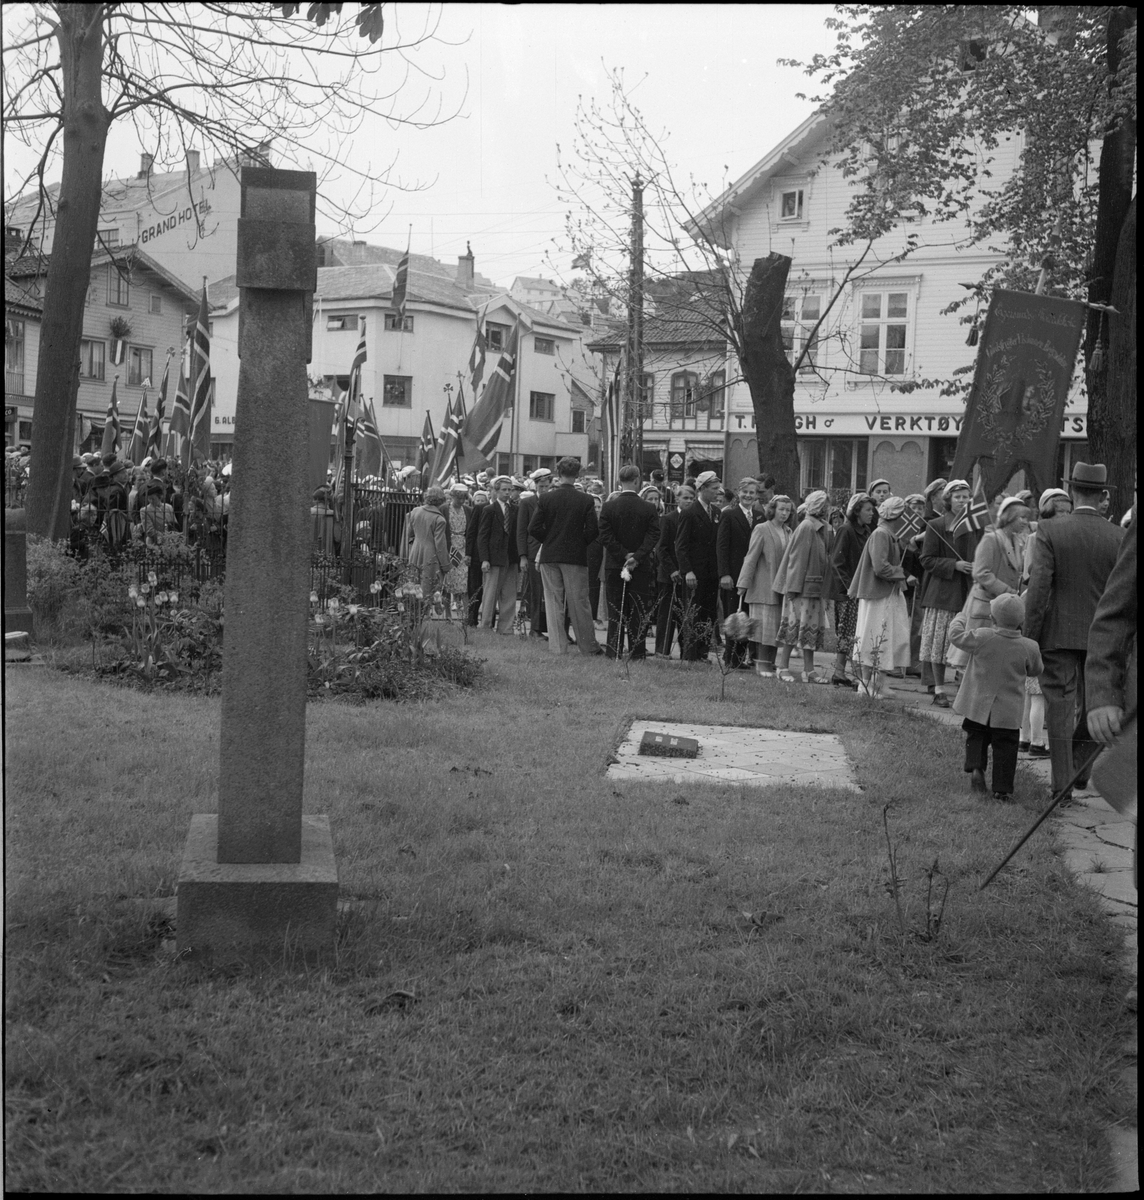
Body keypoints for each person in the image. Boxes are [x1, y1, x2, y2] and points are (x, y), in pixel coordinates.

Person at [1023, 462, 1124, 803]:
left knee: (1060, 708)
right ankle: (1081, 762)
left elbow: (1038, 590)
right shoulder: (1119, 536)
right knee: (1098, 702)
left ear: (1073, 491)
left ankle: (1062, 784)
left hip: (1059, 634)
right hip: (1106, 638)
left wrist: (1030, 636)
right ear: (1104, 496)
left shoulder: (1050, 530)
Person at [949, 593, 1044, 800]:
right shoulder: (1029, 646)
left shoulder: (982, 636)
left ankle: (976, 768)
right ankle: (1001, 790)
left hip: (977, 706)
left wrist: (960, 617)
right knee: (1006, 749)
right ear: (1022, 621)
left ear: (992, 619)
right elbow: (1036, 670)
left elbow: (955, 636)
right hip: (1008, 713)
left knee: (976, 737)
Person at [947, 496, 1031, 671]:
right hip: (985, 606)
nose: (1025, 522)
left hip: (1000, 608)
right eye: (1021, 517)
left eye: (1027, 518)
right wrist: (1008, 592)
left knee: (991, 661)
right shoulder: (991, 539)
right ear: (1009, 517)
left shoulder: (1017, 541)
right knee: (976, 659)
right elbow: (981, 573)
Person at [528, 456, 601, 656]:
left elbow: (533, 528)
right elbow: (593, 531)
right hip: (575, 556)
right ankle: (588, 646)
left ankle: (558, 647)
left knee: (553, 602)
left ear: (558, 474)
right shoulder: (586, 499)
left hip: (550, 555)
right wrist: (579, 542)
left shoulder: (546, 498)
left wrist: (549, 539)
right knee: (579, 602)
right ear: (578, 474)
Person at [918, 479, 979, 708]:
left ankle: (964, 690)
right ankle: (939, 689)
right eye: (958, 497)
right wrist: (953, 565)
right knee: (940, 644)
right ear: (948, 500)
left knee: (964, 642)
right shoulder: (936, 525)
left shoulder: (974, 526)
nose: (962, 501)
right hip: (943, 593)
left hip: (967, 592)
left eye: (966, 497)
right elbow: (926, 559)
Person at [848, 496, 911, 698]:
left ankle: (879, 682)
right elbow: (879, 566)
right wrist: (902, 574)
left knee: (886, 638)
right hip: (878, 595)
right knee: (874, 637)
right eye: (904, 515)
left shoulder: (888, 534)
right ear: (896, 516)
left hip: (887, 593)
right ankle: (866, 684)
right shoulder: (881, 534)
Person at [598, 465, 660, 660]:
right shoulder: (648, 508)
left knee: (616, 610)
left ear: (620, 480)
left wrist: (624, 555)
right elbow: (653, 535)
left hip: (615, 564)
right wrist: (637, 556)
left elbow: (605, 536)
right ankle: (637, 652)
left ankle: (613, 650)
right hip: (640, 566)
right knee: (638, 610)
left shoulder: (608, 506)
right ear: (637, 480)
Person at [772, 489, 833, 684]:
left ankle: (809, 670)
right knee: (794, 628)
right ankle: (782, 667)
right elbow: (796, 560)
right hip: (801, 589)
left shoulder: (822, 527)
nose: (827, 509)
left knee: (809, 629)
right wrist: (792, 588)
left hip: (814, 588)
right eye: (824, 506)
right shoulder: (807, 526)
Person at [736, 493, 793, 677]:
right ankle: (761, 663)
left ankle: (771, 662)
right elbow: (751, 557)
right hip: (763, 586)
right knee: (763, 627)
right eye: (781, 509)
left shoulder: (789, 531)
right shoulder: (762, 528)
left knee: (776, 627)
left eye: (788, 510)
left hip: (781, 587)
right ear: (773, 510)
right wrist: (743, 583)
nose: (784, 513)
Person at [828, 492, 875, 687]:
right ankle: (843, 672)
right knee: (847, 632)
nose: (872, 513)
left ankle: (842, 672)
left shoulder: (867, 531)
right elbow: (837, 563)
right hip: (848, 593)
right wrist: (850, 588)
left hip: (860, 590)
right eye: (868, 510)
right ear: (857, 511)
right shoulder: (846, 530)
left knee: (855, 632)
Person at [675, 471, 722, 662]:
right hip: (695, 574)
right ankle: (690, 653)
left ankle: (702, 652)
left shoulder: (717, 513)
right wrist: (688, 571)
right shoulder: (689, 513)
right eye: (714, 489)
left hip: (711, 574)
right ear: (702, 489)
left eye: (718, 489)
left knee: (708, 613)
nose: (717, 493)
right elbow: (681, 545)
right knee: (693, 613)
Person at [717, 477, 759, 669]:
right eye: (745, 492)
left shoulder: (760, 516)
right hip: (733, 574)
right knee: (733, 613)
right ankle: (730, 656)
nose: (748, 496)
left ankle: (741, 657)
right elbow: (722, 546)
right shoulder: (729, 515)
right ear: (738, 494)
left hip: (752, 576)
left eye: (752, 492)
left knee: (746, 614)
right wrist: (724, 574)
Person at [477, 477, 519, 634]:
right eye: (504, 490)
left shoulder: (515, 509)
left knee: (509, 594)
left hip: (511, 556)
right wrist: (485, 559)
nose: (507, 493)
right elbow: (482, 536)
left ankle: (506, 628)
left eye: (509, 490)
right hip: (494, 557)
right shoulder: (489, 510)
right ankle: (485, 625)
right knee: (490, 593)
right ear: (496, 491)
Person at [654, 483, 692, 657]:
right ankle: (662, 649)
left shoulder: (693, 518)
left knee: (685, 614)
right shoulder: (669, 519)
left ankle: (686, 651)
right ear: (677, 499)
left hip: (687, 575)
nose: (689, 501)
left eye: (691, 498)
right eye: (685, 498)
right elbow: (661, 548)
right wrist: (672, 570)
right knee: (667, 614)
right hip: (669, 574)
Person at [516, 468, 553, 639]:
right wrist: (523, 556)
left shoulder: (554, 501)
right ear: (535, 485)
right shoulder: (527, 503)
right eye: (541, 486)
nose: (544, 489)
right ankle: (535, 629)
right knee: (536, 591)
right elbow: (521, 530)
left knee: (551, 592)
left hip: (550, 550)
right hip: (532, 552)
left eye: (546, 486)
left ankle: (550, 628)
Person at [441, 483, 471, 617]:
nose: (461, 501)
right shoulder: (444, 509)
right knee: (448, 580)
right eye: (459, 498)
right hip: (450, 547)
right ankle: (447, 614)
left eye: (464, 498)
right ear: (452, 496)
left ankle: (466, 613)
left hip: (463, 547)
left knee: (464, 580)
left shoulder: (468, 510)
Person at [464, 489, 489, 626]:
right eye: (477, 500)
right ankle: (471, 618)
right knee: (475, 587)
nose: (480, 503)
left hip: (490, 555)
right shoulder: (477, 511)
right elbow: (471, 532)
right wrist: (468, 553)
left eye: (483, 500)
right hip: (476, 554)